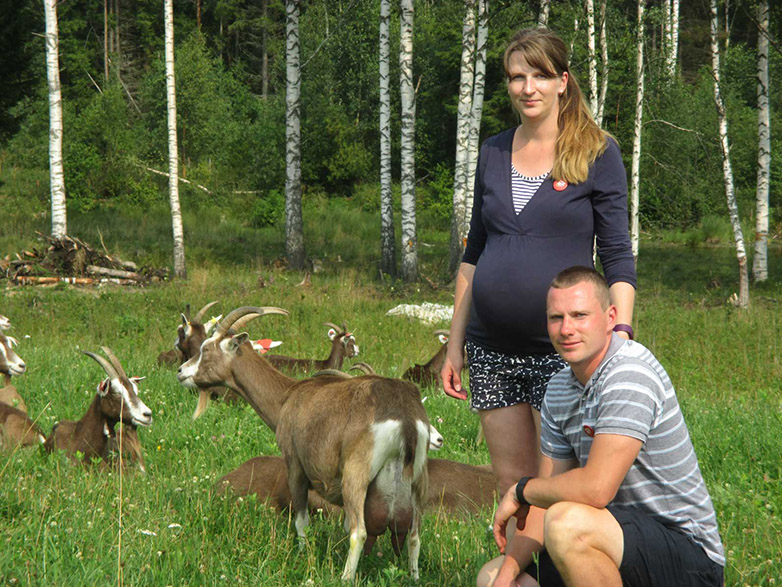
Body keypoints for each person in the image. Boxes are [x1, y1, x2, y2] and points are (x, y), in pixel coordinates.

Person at [441, 27, 637, 506]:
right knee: (512, 488)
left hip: (564, 354)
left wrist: (622, 332)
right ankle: (518, 577)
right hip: (492, 351)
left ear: (562, 81)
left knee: (560, 489)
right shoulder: (492, 151)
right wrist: (455, 343)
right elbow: (474, 254)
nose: (527, 88)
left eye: (540, 76)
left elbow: (616, 254)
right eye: (516, 77)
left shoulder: (597, 152)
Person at [484, 266, 725, 587]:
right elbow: (548, 493)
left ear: (611, 317)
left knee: (566, 523)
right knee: (490, 576)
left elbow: (596, 489)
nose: (566, 328)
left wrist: (521, 490)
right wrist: (508, 574)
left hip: (686, 555)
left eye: (580, 315)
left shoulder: (629, 374)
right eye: (556, 318)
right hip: (607, 540)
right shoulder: (558, 389)